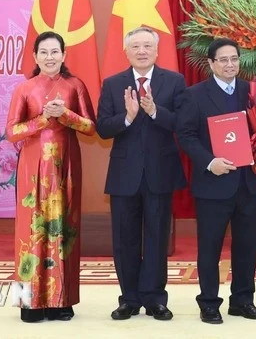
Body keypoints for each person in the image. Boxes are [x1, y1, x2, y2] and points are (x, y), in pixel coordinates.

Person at [175, 38, 256, 324]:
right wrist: (210, 162)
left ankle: (243, 301)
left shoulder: (253, 92)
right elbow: (186, 135)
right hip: (213, 184)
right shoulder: (194, 95)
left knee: (247, 245)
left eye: (234, 59)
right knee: (210, 247)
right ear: (211, 64)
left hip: (248, 183)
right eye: (223, 60)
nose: (230, 64)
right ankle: (209, 303)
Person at [96, 27, 187, 321]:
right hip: (125, 174)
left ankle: (155, 299)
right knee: (125, 239)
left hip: (161, 172)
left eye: (148, 45)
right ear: (127, 51)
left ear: (157, 50)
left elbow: (183, 124)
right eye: (136, 46)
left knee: (157, 237)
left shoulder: (174, 82)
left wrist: (155, 111)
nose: (142, 50)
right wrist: (128, 117)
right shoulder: (113, 84)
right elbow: (102, 128)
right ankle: (129, 299)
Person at [5, 31, 96, 323]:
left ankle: (62, 299)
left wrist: (66, 115)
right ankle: (30, 301)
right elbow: (12, 132)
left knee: (63, 227)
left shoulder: (75, 85)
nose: (50, 57)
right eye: (43, 52)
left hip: (65, 166)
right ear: (34, 57)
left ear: (63, 54)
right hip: (32, 169)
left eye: (55, 52)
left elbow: (90, 127)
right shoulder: (25, 89)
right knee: (32, 229)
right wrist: (44, 118)